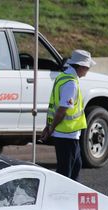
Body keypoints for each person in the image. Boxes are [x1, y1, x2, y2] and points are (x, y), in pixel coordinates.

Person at [40, 49, 95, 181]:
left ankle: (68, 197)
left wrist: (49, 126)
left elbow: (54, 106)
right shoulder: (71, 83)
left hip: (67, 134)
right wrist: (51, 128)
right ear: (81, 66)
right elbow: (62, 110)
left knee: (75, 167)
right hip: (67, 134)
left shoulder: (62, 77)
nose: (87, 71)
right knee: (66, 173)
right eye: (87, 68)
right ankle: (63, 199)